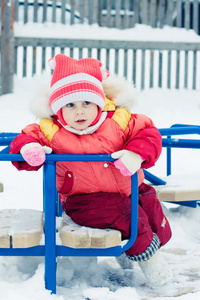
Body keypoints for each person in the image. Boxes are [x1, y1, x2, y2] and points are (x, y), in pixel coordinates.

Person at [10, 54, 172, 286]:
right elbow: (22, 140)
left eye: (87, 103)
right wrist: (30, 148)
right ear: (58, 109)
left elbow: (148, 133)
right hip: (84, 201)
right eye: (70, 105)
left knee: (149, 205)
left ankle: (131, 250)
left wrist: (136, 153)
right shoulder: (50, 130)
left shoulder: (119, 121)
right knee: (126, 214)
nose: (79, 112)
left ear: (99, 102)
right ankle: (149, 260)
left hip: (129, 189)